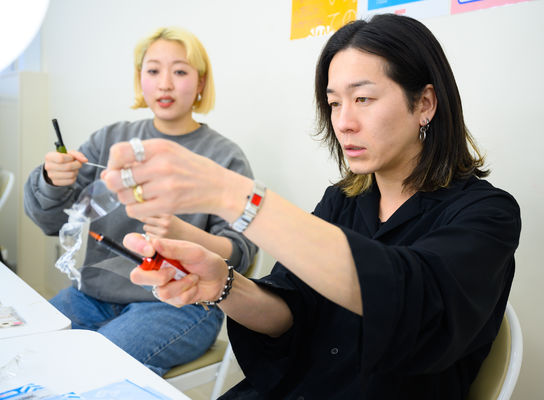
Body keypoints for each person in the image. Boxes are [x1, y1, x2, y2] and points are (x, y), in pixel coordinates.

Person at [103, 14, 521, 399]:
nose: (343, 122)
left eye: (363, 99)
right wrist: (225, 285)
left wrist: (236, 197)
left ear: (425, 104)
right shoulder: (341, 201)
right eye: (335, 102)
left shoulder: (487, 214)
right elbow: (290, 313)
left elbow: (411, 304)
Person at [23, 26, 257, 376]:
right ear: (140, 80)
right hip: (92, 297)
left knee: (91, 370)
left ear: (201, 83)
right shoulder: (110, 140)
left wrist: (184, 232)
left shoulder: (224, 156)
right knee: (29, 352)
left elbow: (241, 252)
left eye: (179, 71)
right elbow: (52, 222)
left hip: (179, 305)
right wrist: (52, 180)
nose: (165, 83)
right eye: (153, 71)